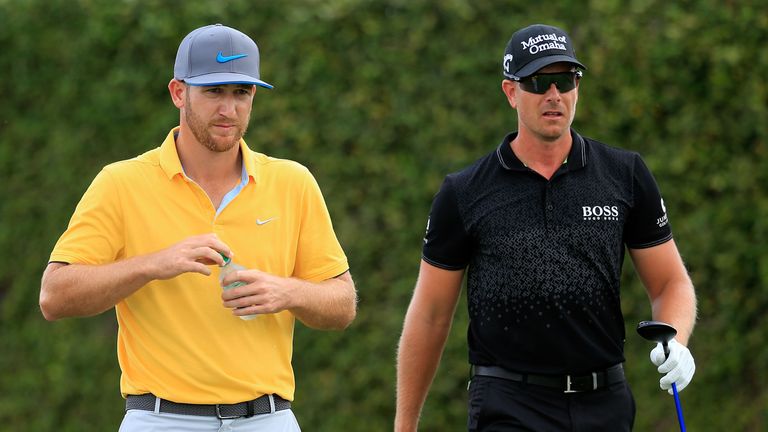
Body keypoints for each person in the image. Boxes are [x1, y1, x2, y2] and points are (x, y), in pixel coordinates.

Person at [39, 23, 357, 432]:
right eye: (214, 91)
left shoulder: (293, 182)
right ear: (178, 92)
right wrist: (153, 264)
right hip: (158, 419)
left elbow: (343, 303)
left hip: (268, 419)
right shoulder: (121, 183)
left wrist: (287, 291)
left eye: (241, 93)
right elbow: (54, 295)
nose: (229, 109)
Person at [395, 24, 697, 431]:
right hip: (508, 404)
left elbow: (669, 283)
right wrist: (405, 425)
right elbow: (430, 315)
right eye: (538, 82)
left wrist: (676, 341)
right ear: (511, 92)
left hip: (604, 402)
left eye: (565, 80)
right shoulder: (465, 191)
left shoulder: (624, 174)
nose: (554, 94)